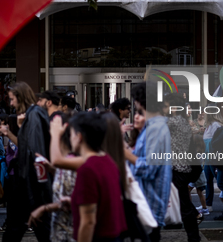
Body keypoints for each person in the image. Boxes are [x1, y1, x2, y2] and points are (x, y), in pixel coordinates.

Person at [50, 112, 127, 241]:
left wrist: (55, 134)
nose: (70, 137)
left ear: (79, 137)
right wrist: (75, 202)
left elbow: (88, 223)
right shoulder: (107, 161)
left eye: (72, 133)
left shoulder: (87, 169)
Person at [2, 82, 52, 242]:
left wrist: (39, 187)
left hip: (30, 185)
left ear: (20, 97)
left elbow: (36, 153)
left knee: (18, 231)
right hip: (30, 185)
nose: (11, 103)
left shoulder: (34, 116)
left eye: (12, 99)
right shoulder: (33, 116)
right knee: (24, 230)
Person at [124, 82, 172, 242]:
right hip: (146, 204)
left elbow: (148, 169)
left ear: (139, 101)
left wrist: (123, 152)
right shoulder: (153, 126)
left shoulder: (156, 128)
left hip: (149, 204)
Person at [28, 113, 76, 242]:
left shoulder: (71, 162)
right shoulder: (67, 163)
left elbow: (73, 201)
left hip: (70, 233)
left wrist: (44, 208)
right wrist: (51, 169)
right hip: (61, 231)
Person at [163, 93, 202, 242]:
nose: (164, 109)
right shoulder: (183, 121)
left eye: (166, 106)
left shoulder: (175, 122)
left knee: (183, 204)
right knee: (183, 203)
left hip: (177, 169)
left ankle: (194, 236)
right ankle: (193, 234)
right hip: (182, 168)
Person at [201, 110, 223, 213]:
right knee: (208, 181)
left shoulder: (215, 125)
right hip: (207, 158)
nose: (203, 114)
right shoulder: (208, 126)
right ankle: (208, 205)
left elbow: (218, 141)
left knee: (221, 182)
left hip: (213, 157)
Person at [188, 134, 208, 216]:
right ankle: (204, 208)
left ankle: (191, 207)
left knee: (189, 190)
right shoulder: (202, 151)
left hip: (197, 175)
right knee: (199, 192)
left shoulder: (196, 153)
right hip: (200, 174)